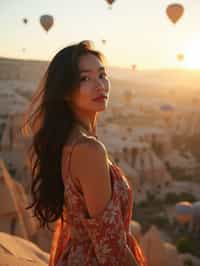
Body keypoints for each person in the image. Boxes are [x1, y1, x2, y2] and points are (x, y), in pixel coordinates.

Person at [23, 40, 146, 266]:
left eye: (102, 75)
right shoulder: (89, 150)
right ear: (66, 91)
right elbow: (111, 250)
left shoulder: (67, 140)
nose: (99, 85)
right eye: (84, 79)